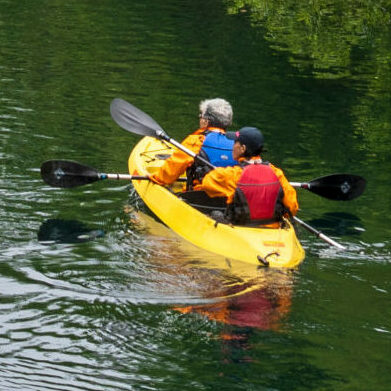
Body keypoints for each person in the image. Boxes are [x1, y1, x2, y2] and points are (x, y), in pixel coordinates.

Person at [193, 127, 298, 225]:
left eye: (235, 143)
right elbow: (292, 207)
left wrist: (229, 194)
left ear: (243, 148)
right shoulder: (277, 173)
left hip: (241, 228)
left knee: (215, 215)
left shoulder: (232, 174)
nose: (233, 146)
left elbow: (207, 184)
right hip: (273, 229)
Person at [150, 98, 237, 189]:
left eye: (201, 116)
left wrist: (156, 178)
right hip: (230, 197)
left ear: (206, 121)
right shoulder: (238, 144)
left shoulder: (197, 140)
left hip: (198, 196)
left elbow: (172, 168)